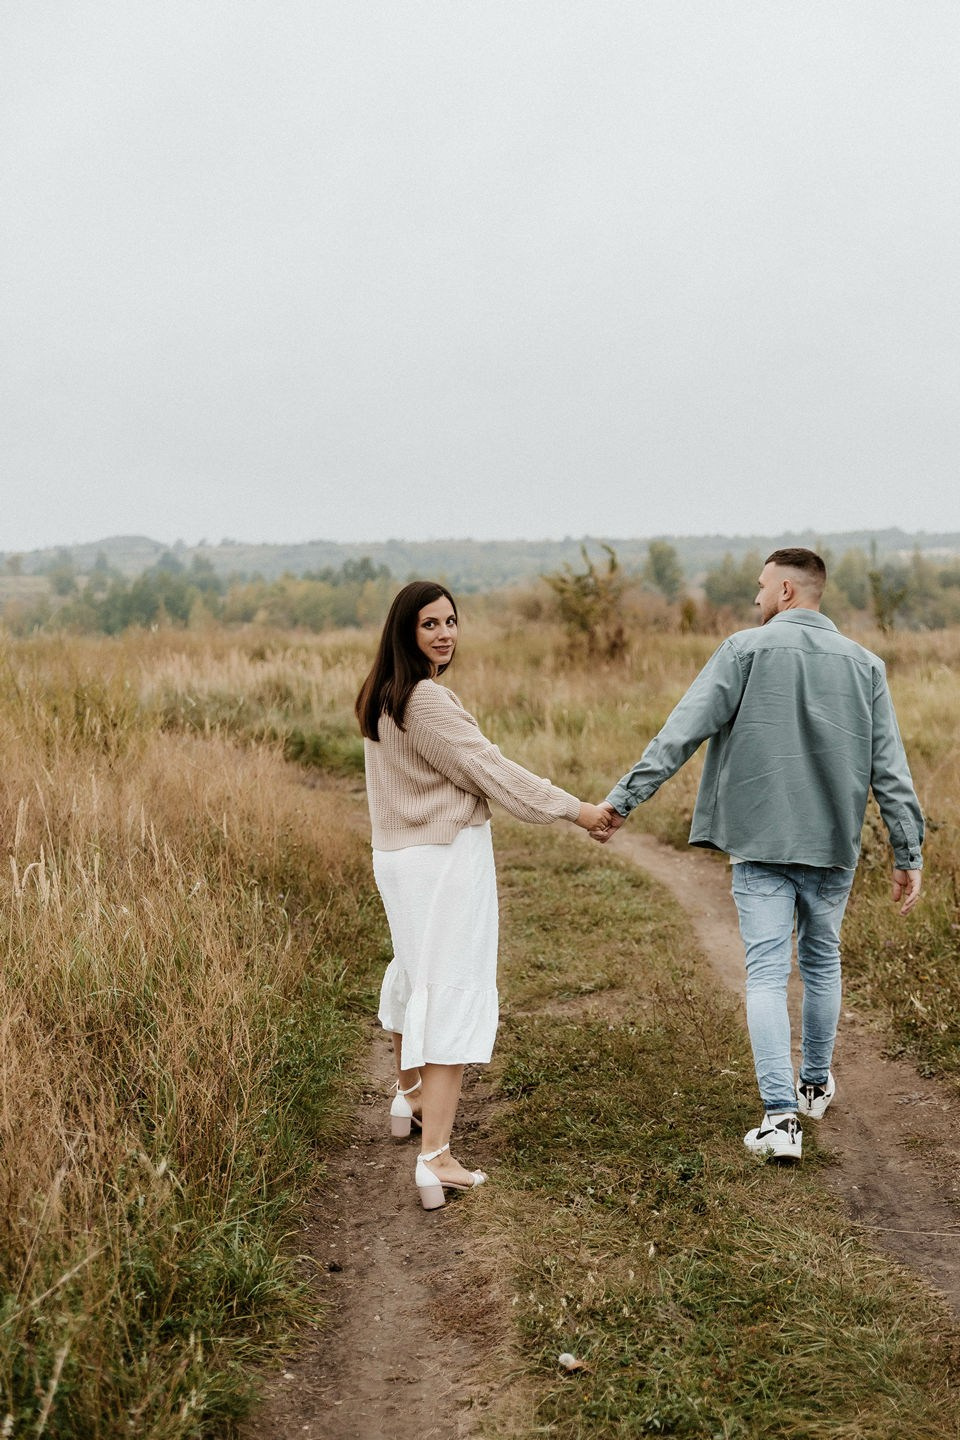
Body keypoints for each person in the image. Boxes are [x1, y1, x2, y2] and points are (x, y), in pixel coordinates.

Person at [590, 548, 923, 1160]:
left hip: (761, 841)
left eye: (762, 587)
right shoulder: (866, 666)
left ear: (789, 592)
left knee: (767, 974)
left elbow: (681, 730)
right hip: (832, 845)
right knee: (823, 963)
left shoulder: (745, 650)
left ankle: (780, 1118)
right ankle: (815, 1086)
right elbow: (891, 771)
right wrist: (908, 853)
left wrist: (622, 801)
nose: (756, 598)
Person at [356, 580, 609, 1208]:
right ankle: (435, 1158)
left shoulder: (379, 696)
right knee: (452, 985)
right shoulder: (427, 701)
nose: (444, 634)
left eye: (450, 621)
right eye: (429, 625)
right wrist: (577, 811)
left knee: (417, 972)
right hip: (441, 858)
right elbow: (493, 770)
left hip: (397, 855)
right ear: (405, 633)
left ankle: (409, 1096)